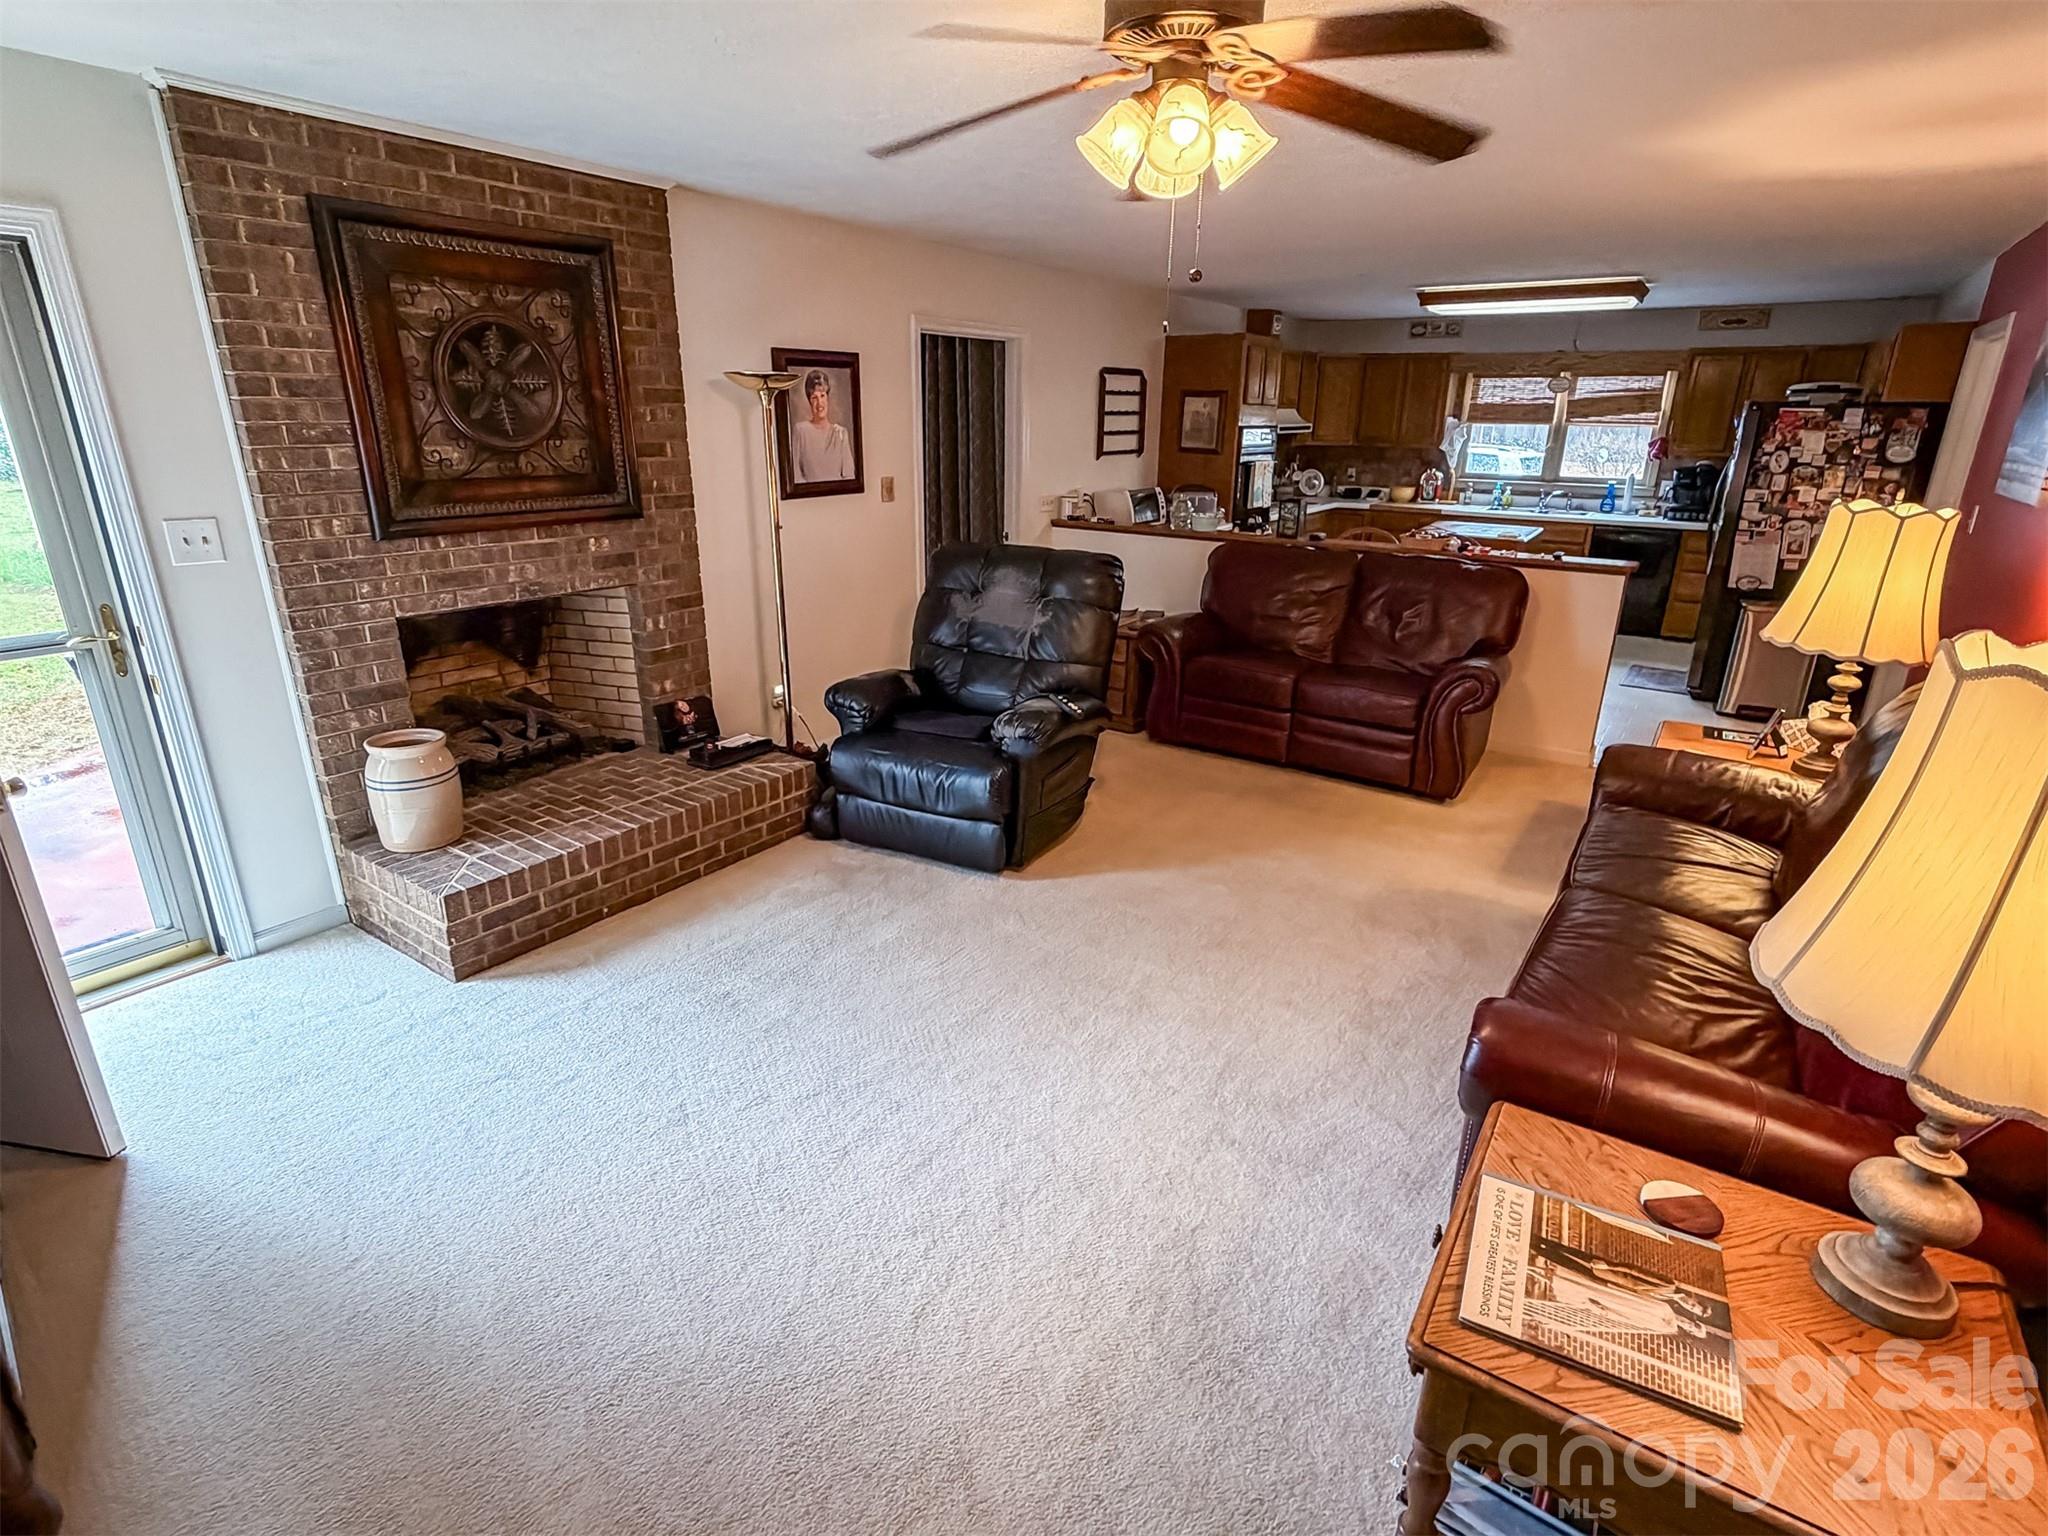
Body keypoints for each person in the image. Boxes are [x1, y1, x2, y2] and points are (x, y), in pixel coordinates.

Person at [790, 369, 855, 483]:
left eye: (822, 396)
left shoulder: (840, 433)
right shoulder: (800, 431)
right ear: (809, 401)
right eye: (814, 398)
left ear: (827, 398)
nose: (819, 403)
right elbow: (796, 476)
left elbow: (849, 476)